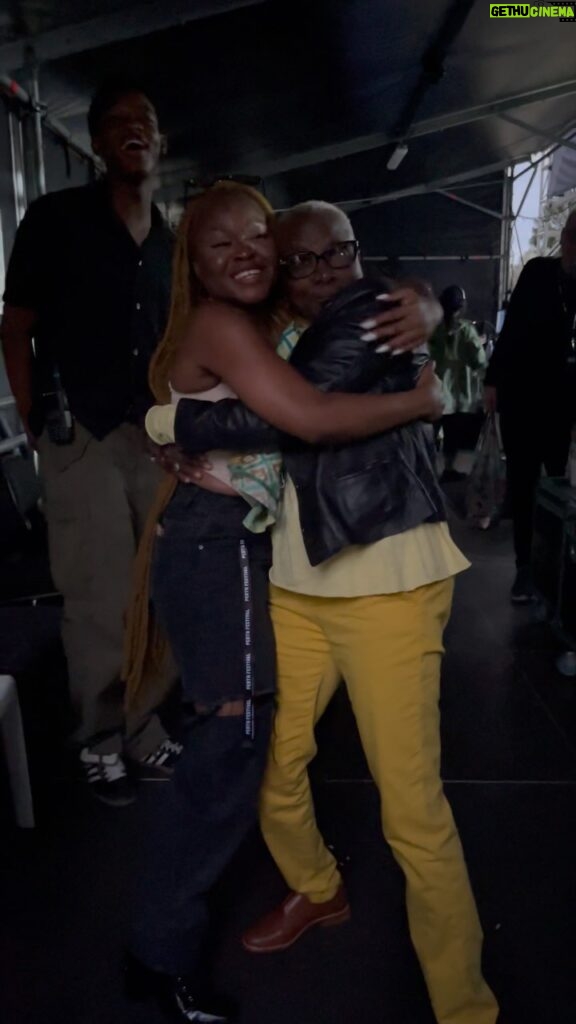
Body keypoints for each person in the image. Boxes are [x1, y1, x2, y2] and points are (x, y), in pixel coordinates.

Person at [150, 200, 501, 1024]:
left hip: (389, 585)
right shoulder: (279, 332)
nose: (324, 270)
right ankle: (318, 889)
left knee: (411, 810)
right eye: (301, 259)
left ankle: (466, 1007)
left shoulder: (375, 313)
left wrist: (170, 418)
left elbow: (303, 411)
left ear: (358, 249)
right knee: (274, 771)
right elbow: (287, 409)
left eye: (337, 251)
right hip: (296, 587)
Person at [0, 81, 178, 805]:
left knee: (159, 587)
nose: (133, 131)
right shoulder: (55, 218)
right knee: (98, 594)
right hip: (81, 437)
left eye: (146, 121)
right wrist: (38, 422)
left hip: (154, 436)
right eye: (116, 124)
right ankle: (99, 736)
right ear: (99, 146)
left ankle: (144, 721)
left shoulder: (171, 241)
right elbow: (16, 328)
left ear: (159, 142)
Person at [484, 209, 576, 603]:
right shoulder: (539, 273)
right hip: (523, 398)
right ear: (567, 238)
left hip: (566, 404)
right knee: (523, 484)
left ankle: (556, 570)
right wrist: (492, 379)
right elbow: (512, 330)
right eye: (573, 237)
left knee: (562, 488)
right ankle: (525, 569)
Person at [430, 284, 487, 482]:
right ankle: (455, 476)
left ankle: (435, 474)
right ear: (461, 307)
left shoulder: (433, 331)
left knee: (436, 441)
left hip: (437, 398)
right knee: (459, 442)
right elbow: (479, 362)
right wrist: (480, 342)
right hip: (462, 400)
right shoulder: (467, 331)